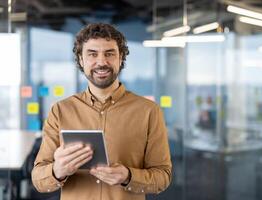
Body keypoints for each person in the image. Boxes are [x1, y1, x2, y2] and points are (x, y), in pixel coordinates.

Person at [31, 23, 172, 200]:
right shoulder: (60, 111)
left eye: (109, 53)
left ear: (121, 58)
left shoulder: (149, 111)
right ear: (81, 60)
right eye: (92, 54)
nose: (102, 62)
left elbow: (163, 177)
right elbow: (38, 179)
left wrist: (128, 176)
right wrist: (57, 170)